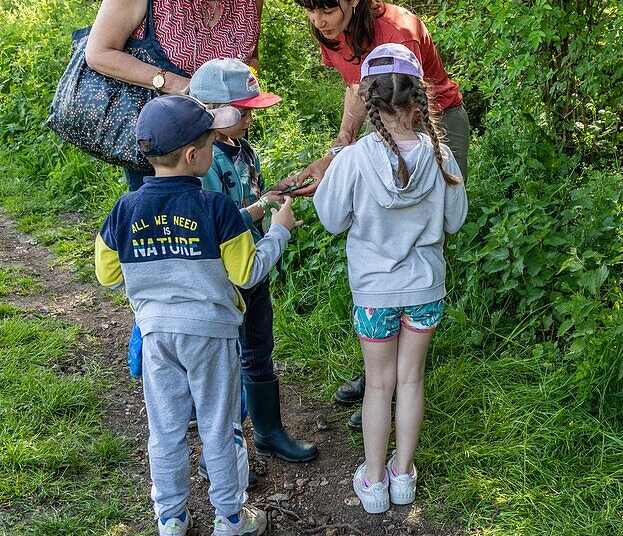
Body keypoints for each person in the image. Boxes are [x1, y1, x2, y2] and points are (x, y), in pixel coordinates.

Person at [94, 94, 300, 536]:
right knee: (220, 427)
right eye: (210, 142)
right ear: (193, 155)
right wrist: (278, 232)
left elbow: (107, 272)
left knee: (165, 430)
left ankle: (170, 519)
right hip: (211, 335)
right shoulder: (215, 208)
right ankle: (230, 520)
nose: (213, 148)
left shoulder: (125, 209)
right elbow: (248, 272)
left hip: (157, 336)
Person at [287, 0, 470, 424]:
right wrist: (337, 152)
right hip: (385, 119)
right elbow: (357, 90)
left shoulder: (397, 34)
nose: (318, 20)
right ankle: (380, 375)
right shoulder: (335, 32)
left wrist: (353, 164)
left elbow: (409, 107)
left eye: (327, 8)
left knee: (417, 229)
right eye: (310, 9)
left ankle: (391, 381)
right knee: (386, 228)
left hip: (431, 120)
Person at [313, 45, 468, 514]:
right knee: (411, 380)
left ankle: (374, 482)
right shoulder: (441, 157)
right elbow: (455, 221)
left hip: (375, 293)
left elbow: (332, 219)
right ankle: (404, 476)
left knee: (378, 385)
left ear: (367, 99)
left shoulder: (355, 159)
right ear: (419, 98)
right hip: (424, 290)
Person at [85, 0, 263, 191]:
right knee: (171, 232)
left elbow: (251, 59)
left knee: (230, 226)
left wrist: (238, 109)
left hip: (223, 141)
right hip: (163, 148)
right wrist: (179, 85)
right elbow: (99, 52)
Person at [188, 59, 319, 466]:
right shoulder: (199, 162)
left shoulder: (243, 148)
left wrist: (274, 193)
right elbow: (214, 223)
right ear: (211, 111)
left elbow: (251, 197)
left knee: (259, 349)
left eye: (251, 110)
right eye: (241, 111)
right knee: (224, 361)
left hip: (254, 268)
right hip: (222, 278)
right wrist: (263, 210)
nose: (248, 118)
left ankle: (268, 432)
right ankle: (228, 449)